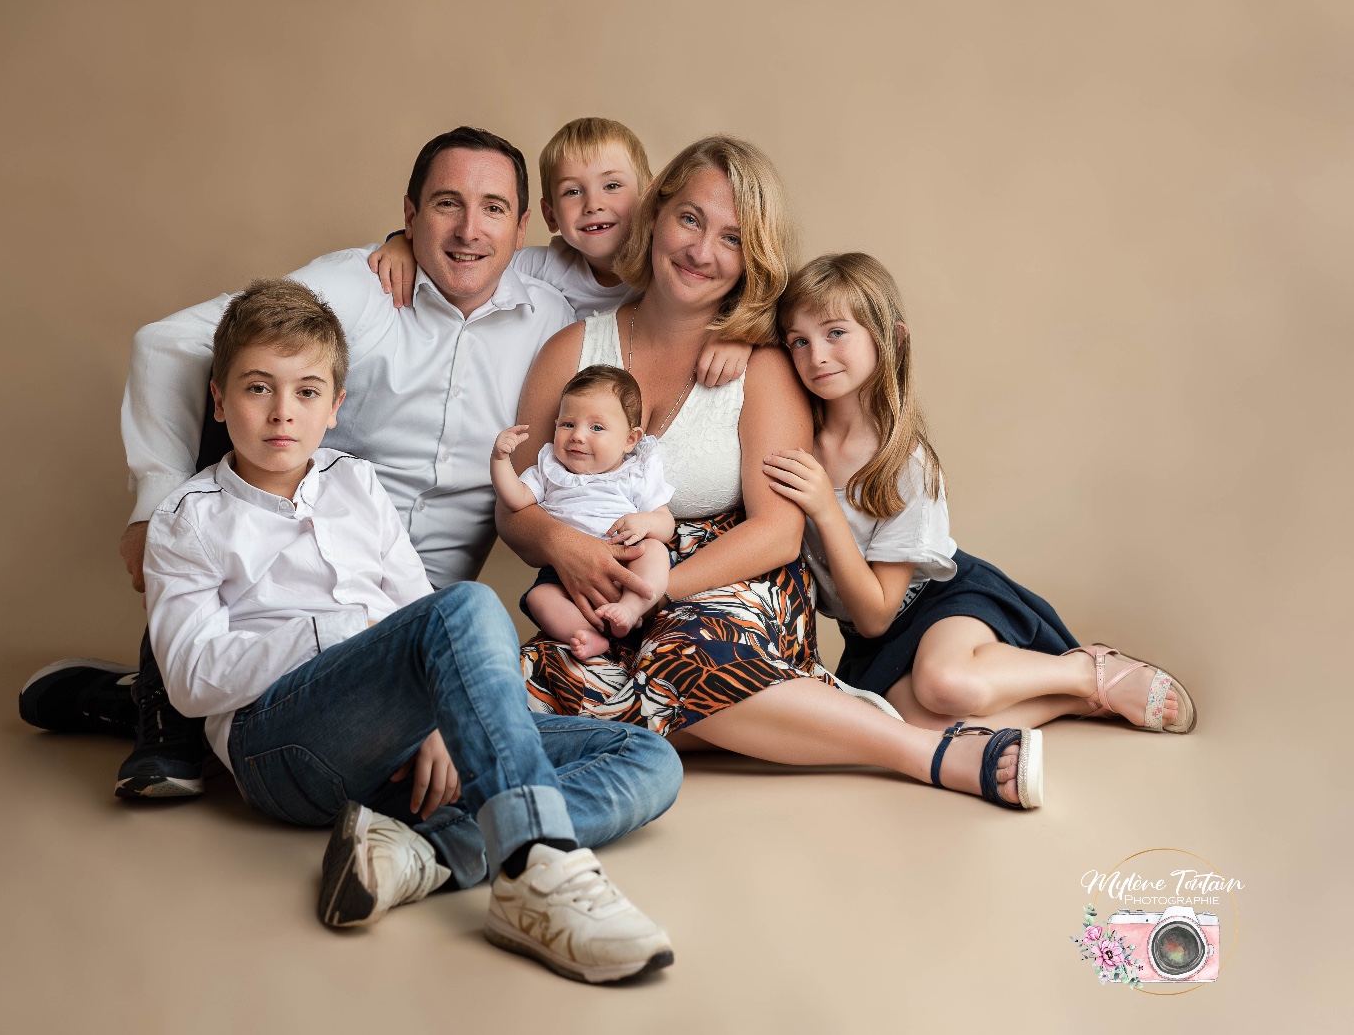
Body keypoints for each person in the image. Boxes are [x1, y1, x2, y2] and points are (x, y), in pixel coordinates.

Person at [144, 276, 679, 982]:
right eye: (256, 388)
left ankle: (421, 854)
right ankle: (536, 872)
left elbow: (408, 603)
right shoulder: (187, 518)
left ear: (335, 407)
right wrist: (340, 631)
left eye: (306, 391)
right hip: (280, 749)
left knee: (647, 760)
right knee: (467, 605)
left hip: (396, 744)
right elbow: (187, 679)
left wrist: (437, 720)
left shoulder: (355, 483)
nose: (282, 413)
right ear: (218, 398)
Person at [20, 127, 578, 799]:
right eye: (444, 205)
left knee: (595, 740)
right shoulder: (362, 285)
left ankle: (154, 696)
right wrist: (156, 504)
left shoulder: (553, 316)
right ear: (408, 213)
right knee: (257, 387)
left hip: (415, 605)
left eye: (492, 209)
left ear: (523, 228)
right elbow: (168, 345)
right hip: (290, 577)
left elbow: (633, 276)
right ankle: (167, 711)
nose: (468, 230)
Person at [509, 135, 1045, 810]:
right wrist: (571, 550)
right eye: (690, 219)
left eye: (733, 238)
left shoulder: (762, 363)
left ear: (752, 258)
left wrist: (657, 588)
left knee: (683, 654)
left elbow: (777, 532)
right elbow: (517, 507)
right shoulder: (572, 350)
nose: (702, 251)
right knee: (533, 691)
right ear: (656, 212)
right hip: (596, 585)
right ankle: (799, 713)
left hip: (735, 582)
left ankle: (932, 752)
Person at [763, 252, 1196, 737]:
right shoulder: (794, 439)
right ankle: (1075, 701)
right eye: (798, 341)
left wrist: (826, 508)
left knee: (946, 684)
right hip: (869, 635)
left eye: (835, 332)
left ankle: (1083, 669)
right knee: (908, 726)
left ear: (891, 338)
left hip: (939, 601)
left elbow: (877, 615)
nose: (815, 355)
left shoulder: (906, 464)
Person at [370, 117, 755, 386]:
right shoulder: (542, 268)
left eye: (612, 186)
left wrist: (740, 336)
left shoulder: (676, 267)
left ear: (651, 196)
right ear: (550, 215)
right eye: (573, 191)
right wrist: (401, 242)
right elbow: (470, 256)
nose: (593, 204)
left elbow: (749, 296)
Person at [492, 365, 675, 660]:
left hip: (626, 557)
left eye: (597, 428)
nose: (577, 436)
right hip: (564, 569)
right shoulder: (550, 467)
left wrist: (645, 522)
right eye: (567, 424)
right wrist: (500, 460)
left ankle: (630, 608)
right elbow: (516, 499)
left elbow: (665, 524)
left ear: (630, 439)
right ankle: (586, 635)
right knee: (540, 597)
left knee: (654, 550)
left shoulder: (636, 472)